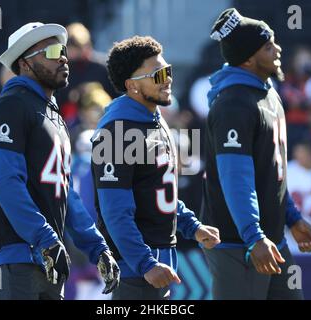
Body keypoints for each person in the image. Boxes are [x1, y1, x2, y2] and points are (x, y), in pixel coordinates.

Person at [0, 22, 119, 300]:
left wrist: (96, 246)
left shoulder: (55, 117)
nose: (64, 57)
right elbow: (5, 180)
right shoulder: (11, 105)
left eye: (64, 50)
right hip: (13, 253)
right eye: (53, 51)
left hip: (48, 255)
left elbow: (64, 192)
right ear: (25, 63)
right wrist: (45, 238)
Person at [201, 8, 311, 300]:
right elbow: (236, 179)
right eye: (268, 45)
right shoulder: (233, 104)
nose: (278, 49)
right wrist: (254, 237)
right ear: (248, 58)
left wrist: (290, 217)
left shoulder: (270, 96)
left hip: (270, 239)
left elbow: (271, 172)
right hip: (237, 243)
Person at [91, 36, 220, 300]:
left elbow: (159, 191)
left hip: (157, 267)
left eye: (168, 71)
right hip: (135, 272)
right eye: (158, 74)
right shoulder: (117, 131)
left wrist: (192, 227)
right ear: (132, 85)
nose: (167, 78)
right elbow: (115, 211)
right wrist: (144, 262)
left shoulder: (154, 120)